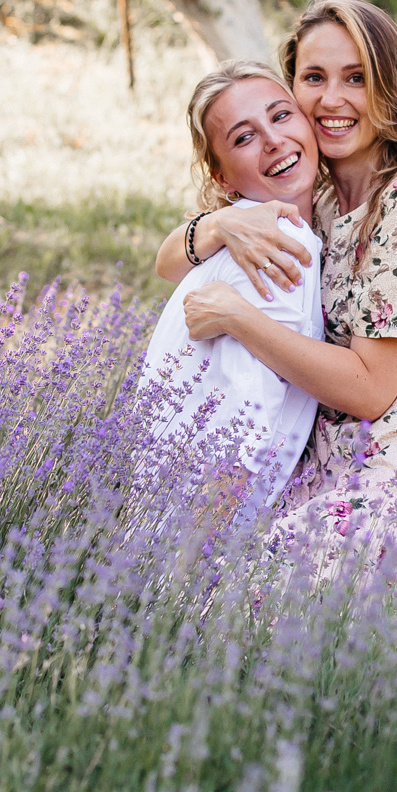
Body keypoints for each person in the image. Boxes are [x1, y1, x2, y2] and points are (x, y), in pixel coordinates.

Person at [156, 0, 397, 563]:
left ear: (388, 89)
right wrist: (218, 225)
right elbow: (167, 262)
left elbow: (368, 389)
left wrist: (239, 319)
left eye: (356, 78)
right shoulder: (316, 194)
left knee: (249, 613)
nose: (332, 99)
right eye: (314, 77)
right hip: (318, 466)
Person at [136, 60, 327, 508]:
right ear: (221, 177)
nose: (274, 140)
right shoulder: (275, 246)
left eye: (281, 115)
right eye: (244, 137)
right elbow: (241, 432)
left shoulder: (271, 224)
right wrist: (194, 565)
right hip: (205, 530)